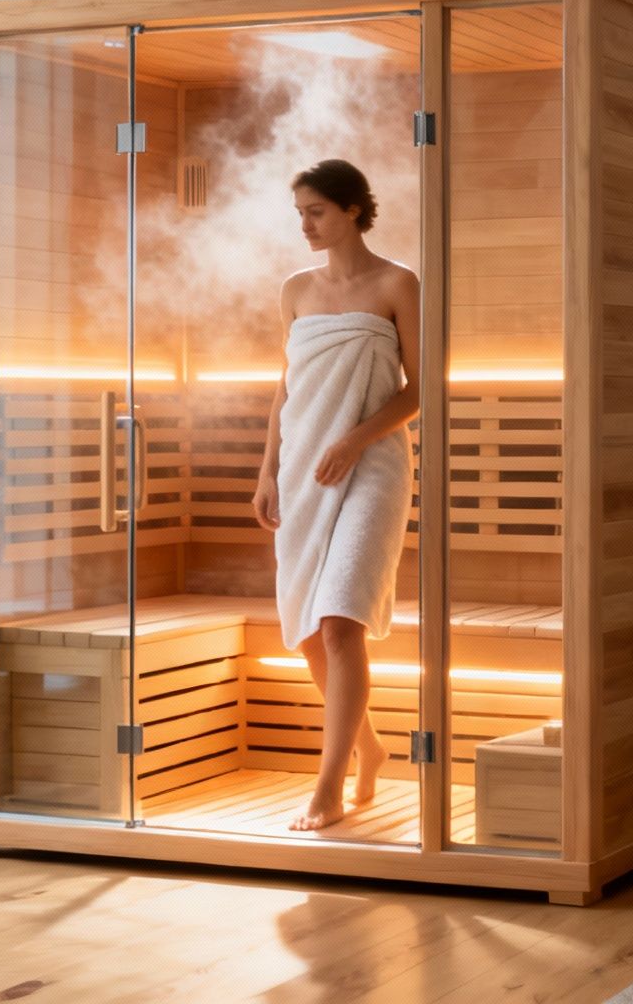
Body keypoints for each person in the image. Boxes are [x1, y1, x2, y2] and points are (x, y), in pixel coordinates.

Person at [252, 158, 420, 832]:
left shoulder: (397, 283)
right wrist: (268, 471)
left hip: (372, 466)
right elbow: (287, 389)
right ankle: (370, 747)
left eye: (315, 211)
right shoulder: (295, 291)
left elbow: (420, 389)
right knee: (310, 636)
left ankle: (327, 785)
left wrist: (355, 440)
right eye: (299, 213)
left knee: (341, 619)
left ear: (353, 209)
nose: (305, 225)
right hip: (303, 467)